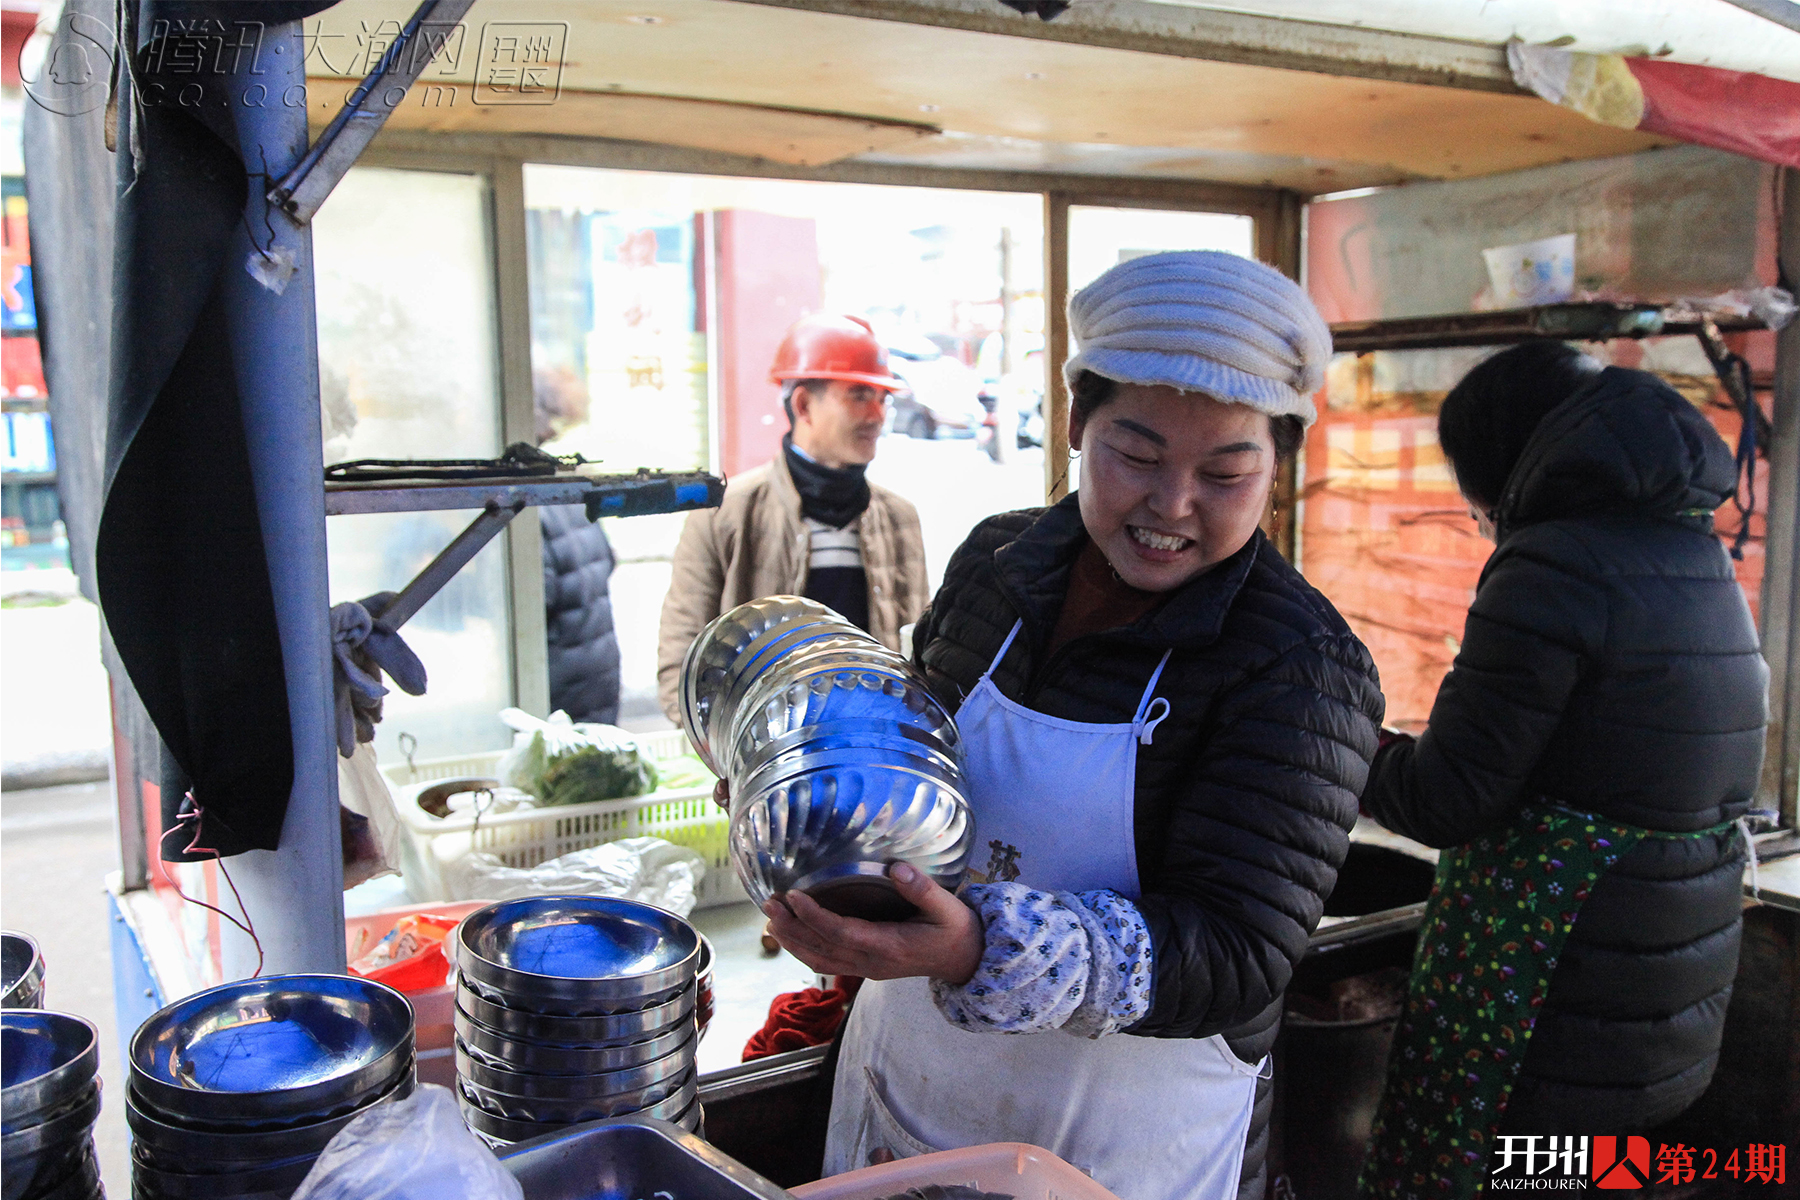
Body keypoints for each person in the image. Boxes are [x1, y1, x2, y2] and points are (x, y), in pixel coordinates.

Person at [758, 252, 1385, 1200]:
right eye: (1136, 454)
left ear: (1278, 464)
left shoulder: (1299, 663)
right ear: (1076, 423)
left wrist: (982, 950)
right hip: (913, 1088)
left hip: (1122, 1146)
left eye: (1226, 470)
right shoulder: (996, 563)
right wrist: (812, 792)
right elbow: (917, 766)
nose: (1172, 504)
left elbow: (1244, 949)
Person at [1356, 343, 1768, 1198]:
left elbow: (1447, 797)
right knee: (1582, 1179)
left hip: (1553, 967)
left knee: (1492, 1175)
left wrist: (1346, 743)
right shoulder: (1695, 553)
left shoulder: (1553, 563)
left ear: (1500, 468)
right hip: (1665, 964)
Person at [657, 314, 929, 722]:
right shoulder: (724, 515)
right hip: (766, 764)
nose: (877, 415)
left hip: (871, 754)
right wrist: (745, 754)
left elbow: (919, 654)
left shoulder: (898, 518)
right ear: (803, 404)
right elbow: (680, 669)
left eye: (883, 398)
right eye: (858, 395)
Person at [536, 365, 621, 724]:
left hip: (559, 703)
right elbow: (607, 561)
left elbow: (532, 602)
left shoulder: (531, 508)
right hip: (596, 687)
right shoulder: (568, 492)